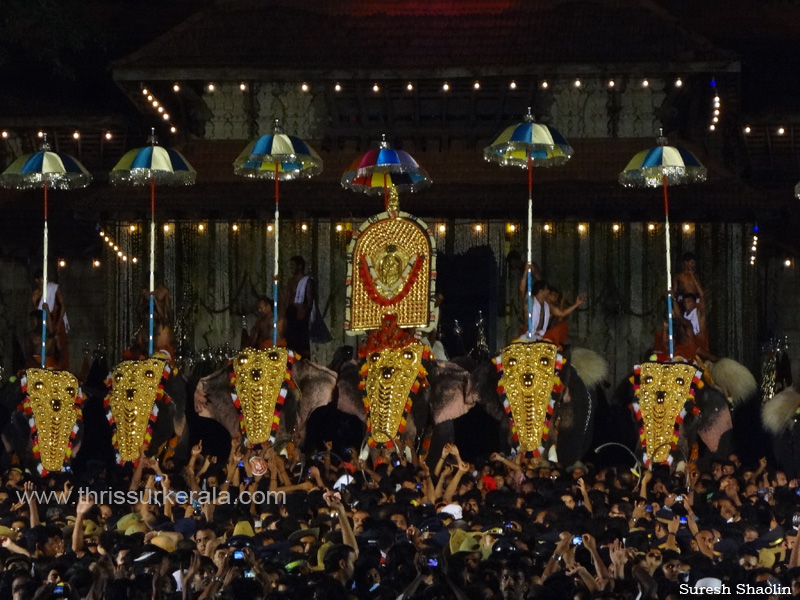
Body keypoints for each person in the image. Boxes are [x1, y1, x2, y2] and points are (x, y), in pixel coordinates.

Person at [31, 270, 69, 370]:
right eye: (42, 278)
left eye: (46, 278)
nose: (45, 281)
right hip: (45, 323)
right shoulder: (35, 295)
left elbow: (62, 306)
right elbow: (38, 312)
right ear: (37, 280)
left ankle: (60, 367)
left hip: (56, 320)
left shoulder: (54, 288)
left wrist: (57, 323)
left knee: (59, 346)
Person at [280, 256, 316, 356]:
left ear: (300, 266)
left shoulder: (307, 281)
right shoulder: (290, 280)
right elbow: (287, 298)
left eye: (293, 266)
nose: (290, 268)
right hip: (291, 313)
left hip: (301, 315)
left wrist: (304, 312)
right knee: (290, 341)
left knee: (302, 342)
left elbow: (309, 301)